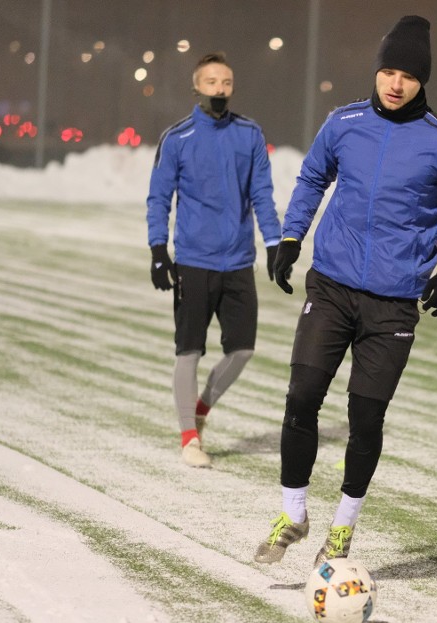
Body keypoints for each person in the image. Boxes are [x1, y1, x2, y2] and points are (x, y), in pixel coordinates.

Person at [254, 16, 437, 565]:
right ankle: (293, 512)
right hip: (332, 287)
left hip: (392, 303)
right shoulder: (344, 122)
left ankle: (342, 527)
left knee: (365, 420)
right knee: (301, 398)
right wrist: (293, 236)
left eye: (407, 75)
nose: (395, 83)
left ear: (421, 81)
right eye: (388, 70)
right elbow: (313, 177)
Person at [146, 51, 282, 468]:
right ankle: (190, 438)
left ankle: (200, 408)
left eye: (225, 82)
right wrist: (157, 250)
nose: (219, 89)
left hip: (239, 261)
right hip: (193, 261)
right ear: (196, 86)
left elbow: (261, 192)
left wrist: (275, 243)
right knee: (189, 351)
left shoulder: (249, 134)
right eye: (211, 82)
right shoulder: (178, 137)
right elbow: (159, 197)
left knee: (242, 350)